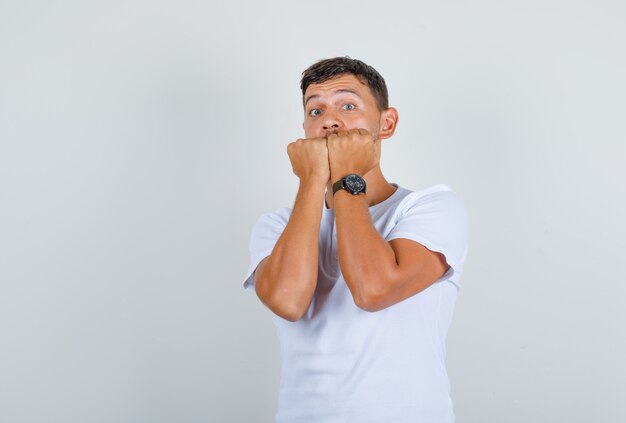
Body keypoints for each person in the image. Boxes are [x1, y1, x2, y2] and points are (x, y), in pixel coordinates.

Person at [242, 57, 468, 423]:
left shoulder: (430, 207)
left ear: (386, 123)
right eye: (316, 110)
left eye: (348, 105)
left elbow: (374, 290)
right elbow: (287, 301)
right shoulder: (276, 225)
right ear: (304, 129)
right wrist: (312, 180)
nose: (329, 120)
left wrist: (346, 173)